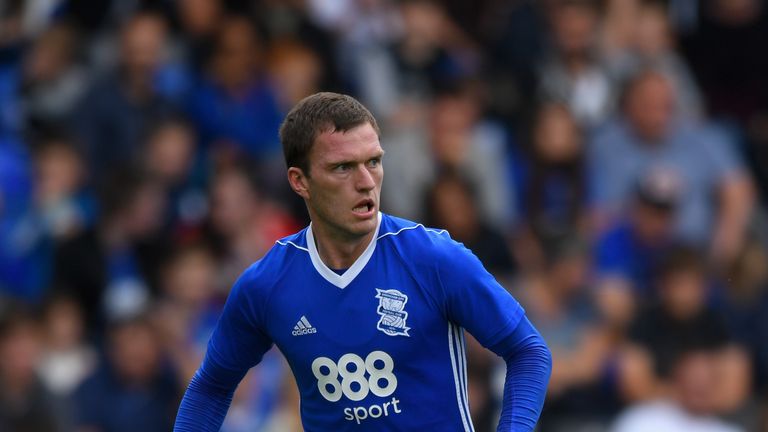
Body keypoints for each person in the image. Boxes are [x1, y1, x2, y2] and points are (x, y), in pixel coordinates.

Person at [174, 92, 551, 431]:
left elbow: (528, 351)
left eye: (373, 161)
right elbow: (211, 387)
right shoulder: (266, 286)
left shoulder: (434, 258)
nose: (367, 181)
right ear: (299, 180)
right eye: (343, 167)